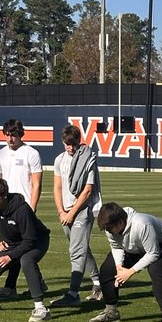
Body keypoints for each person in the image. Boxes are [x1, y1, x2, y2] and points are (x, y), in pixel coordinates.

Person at [0, 177, 51, 322]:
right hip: (12, 244)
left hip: (36, 241)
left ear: (4, 196)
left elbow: (29, 240)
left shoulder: (22, 210)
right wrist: (1, 241)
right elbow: (3, 226)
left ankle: (40, 307)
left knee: (26, 261)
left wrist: (10, 256)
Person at [90, 202, 162, 322]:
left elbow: (153, 253)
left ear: (121, 222)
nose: (108, 232)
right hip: (135, 248)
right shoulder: (109, 227)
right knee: (107, 270)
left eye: (110, 229)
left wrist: (130, 271)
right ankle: (111, 311)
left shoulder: (142, 224)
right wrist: (119, 267)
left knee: (155, 270)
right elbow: (116, 247)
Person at [50, 124, 102, 307]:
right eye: (67, 144)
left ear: (78, 142)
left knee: (76, 251)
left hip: (82, 210)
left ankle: (73, 293)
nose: (70, 148)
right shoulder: (59, 160)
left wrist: (71, 213)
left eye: (73, 144)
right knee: (80, 248)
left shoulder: (88, 159)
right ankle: (98, 283)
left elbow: (88, 190)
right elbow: (57, 186)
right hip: (65, 212)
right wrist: (61, 211)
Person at [0, 119, 44, 300]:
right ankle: (27, 283)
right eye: (7, 134)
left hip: (23, 208)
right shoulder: (0, 154)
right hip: (6, 208)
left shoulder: (31, 153)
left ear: (21, 134)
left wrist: (32, 207)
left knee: (23, 245)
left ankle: (11, 286)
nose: (10, 138)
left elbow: (36, 183)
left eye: (13, 134)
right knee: (13, 244)